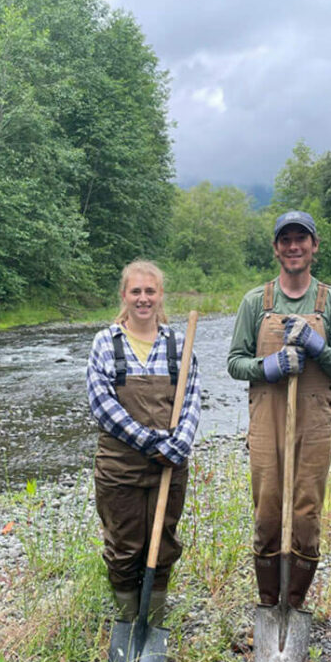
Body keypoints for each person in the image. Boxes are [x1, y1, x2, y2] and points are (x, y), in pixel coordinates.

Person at [227, 211, 331, 610]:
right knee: (266, 513)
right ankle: (268, 604)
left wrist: (319, 348)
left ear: (315, 246)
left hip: (314, 423)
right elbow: (234, 362)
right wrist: (268, 367)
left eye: (302, 239)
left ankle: (293, 605)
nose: (293, 246)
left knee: (305, 515)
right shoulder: (255, 302)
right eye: (286, 240)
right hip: (266, 421)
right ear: (276, 248)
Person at [87, 260, 201, 626]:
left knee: (163, 544)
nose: (143, 299)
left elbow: (192, 398)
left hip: (169, 467)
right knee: (124, 548)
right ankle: (127, 621)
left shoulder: (178, 344)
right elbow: (102, 405)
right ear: (124, 295)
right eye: (135, 291)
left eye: (150, 291)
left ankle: (151, 625)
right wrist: (153, 442)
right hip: (120, 468)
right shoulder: (106, 342)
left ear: (160, 295)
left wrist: (179, 444)